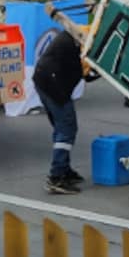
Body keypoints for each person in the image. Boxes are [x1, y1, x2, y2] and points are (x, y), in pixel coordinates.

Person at [33, 28, 85, 194]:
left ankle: (64, 169)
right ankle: (56, 177)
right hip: (54, 84)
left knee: (61, 127)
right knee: (66, 129)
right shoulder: (78, 42)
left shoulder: (72, 37)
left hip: (45, 79)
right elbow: (84, 71)